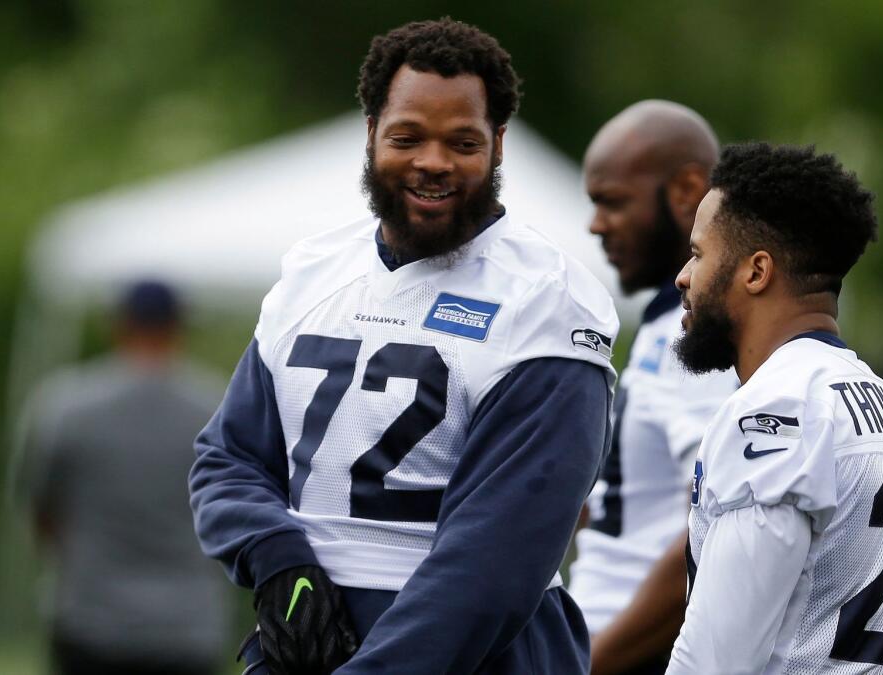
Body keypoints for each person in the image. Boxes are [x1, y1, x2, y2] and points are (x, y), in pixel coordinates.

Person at [188, 18, 619, 675]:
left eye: (462, 141)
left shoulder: (547, 301)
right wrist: (277, 554)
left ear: (499, 145)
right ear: (370, 135)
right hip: (310, 643)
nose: (433, 162)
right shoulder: (314, 269)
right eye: (408, 137)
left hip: (474, 654)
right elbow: (228, 456)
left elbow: (494, 562)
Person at [665, 142, 883, 674]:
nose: (684, 275)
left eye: (699, 253)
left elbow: (716, 659)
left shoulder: (775, 409)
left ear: (757, 272)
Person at [569, 100, 740, 675]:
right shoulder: (664, 323)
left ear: (686, 190)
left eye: (612, 201)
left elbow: (717, 530)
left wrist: (593, 661)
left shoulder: (700, 342)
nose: (596, 224)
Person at [16, 280, 229, 675]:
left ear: (119, 324)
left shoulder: (65, 405)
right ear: (178, 327)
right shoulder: (214, 407)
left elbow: (41, 510)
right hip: (185, 626)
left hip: (89, 619)